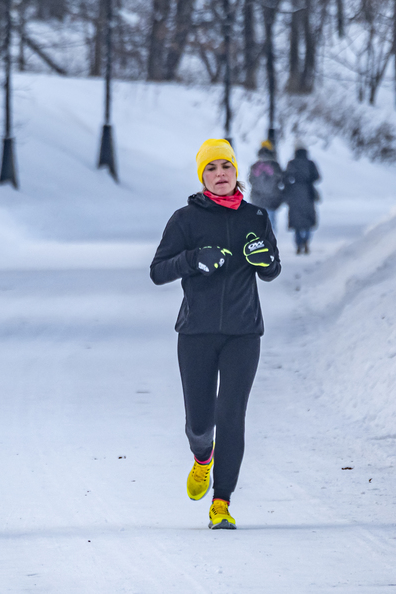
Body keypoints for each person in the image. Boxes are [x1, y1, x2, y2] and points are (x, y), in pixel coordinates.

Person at [150, 138, 282, 530]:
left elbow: (271, 269)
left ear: (236, 172)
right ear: (202, 176)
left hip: (244, 333)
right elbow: (158, 271)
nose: (220, 174)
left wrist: (266, 260)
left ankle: (221, 502)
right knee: (200, 422)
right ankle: (201, 457)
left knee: (232, 416)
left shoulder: (255, 216)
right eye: (211, 168)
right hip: (197, 333)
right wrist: (193, 260)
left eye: (225, 167)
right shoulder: (185, 220)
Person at [283, 142, 321, 255]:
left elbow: (285, 178)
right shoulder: (310, 163)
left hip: (294, 194)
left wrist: (290, 187)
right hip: (308, 193)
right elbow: (317, 177)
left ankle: (298, 243)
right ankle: (306, 241)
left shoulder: (291, 163)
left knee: (296, 220)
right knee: (308, 219)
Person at [247, 140, 284, 232]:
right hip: (272, 199)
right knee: (271, 224)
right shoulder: (275, 165)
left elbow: (250, 180)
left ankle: (261, 242)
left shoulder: (255, 166)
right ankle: (271, 243)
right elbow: (281, 179)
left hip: (258, 200)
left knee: (259, 223)